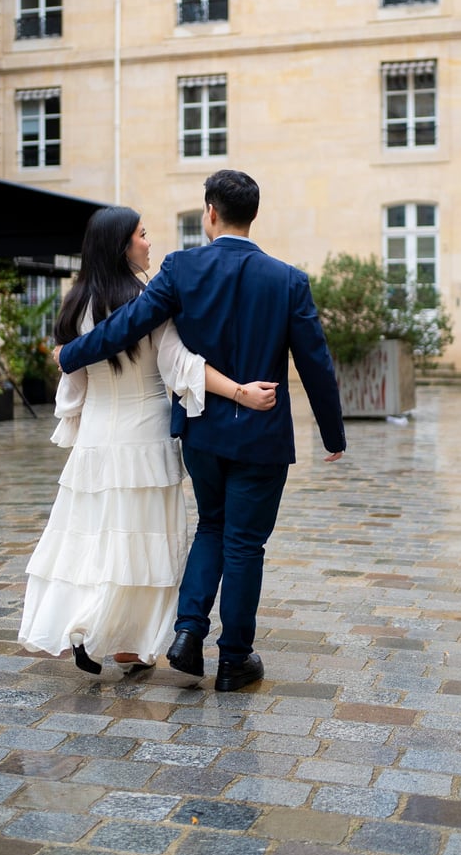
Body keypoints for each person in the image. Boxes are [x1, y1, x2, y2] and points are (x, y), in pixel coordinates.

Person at [55, 170, 346, 692]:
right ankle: (234, 660)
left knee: (212, 527)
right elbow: (316, 363)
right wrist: (333, 434)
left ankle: (188, 634)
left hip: (204, 433)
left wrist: (70, 355)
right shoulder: (288, 280)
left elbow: (128, 324)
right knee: (246, 545)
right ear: (252, 215)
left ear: (210, 212)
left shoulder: (181, 268)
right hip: (262, 435)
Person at [18, 205, 276, 678]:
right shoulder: (148, 300)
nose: (149, 241)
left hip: (96, 437)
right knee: (139, 542)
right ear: (121, 246)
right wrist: (240, 392)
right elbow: (180, 365)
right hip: (144, 436)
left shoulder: (75, 304)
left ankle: (87, 627)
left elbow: (73, 386)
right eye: (141, 234)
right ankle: (126, 644)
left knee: (95, 537)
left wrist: (76, 418)